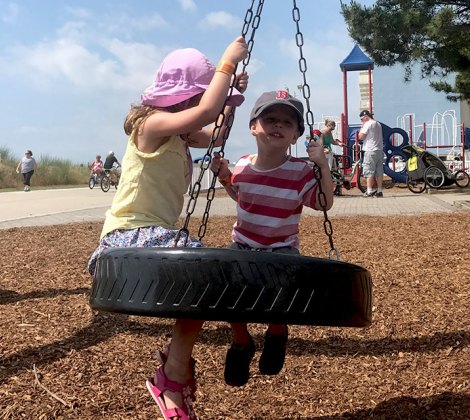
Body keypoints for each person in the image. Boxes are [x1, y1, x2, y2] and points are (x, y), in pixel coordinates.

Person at [86, 38, 249, 419]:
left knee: (208, 276)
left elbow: (218, 132)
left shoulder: (180, 134)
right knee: (204, 265)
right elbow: (206, 111)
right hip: (125, 236)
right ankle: (172, 377)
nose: (197, 109)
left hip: (153, 236)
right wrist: (225, 65)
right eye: (195, 99)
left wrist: (229, 100)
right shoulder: (150, 125)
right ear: (180, 97)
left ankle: (177, 369)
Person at [210, 90, 333, 388]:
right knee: (228, 292)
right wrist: (226, 177)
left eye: (287, 123)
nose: (278, 126)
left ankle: (277, 332)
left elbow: (323, 203)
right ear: (254, 126)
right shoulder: (242, 165)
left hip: (281, 248)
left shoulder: (301, 172)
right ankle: (242, 342)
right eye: (270, 119)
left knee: (282, 296)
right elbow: (242, 197)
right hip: (243, 243)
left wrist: (323, 166)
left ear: (295, 136)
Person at [358, 109, 384, 197]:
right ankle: (379, 190)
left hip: (370, 150)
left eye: (362, 119)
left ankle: (369, 191)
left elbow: (360, 137)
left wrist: (362, 126)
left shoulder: (367, 124)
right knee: (379, 171)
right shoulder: (378, 124)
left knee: (369, 171)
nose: (361, 121)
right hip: (380, 150)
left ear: (365, 117)